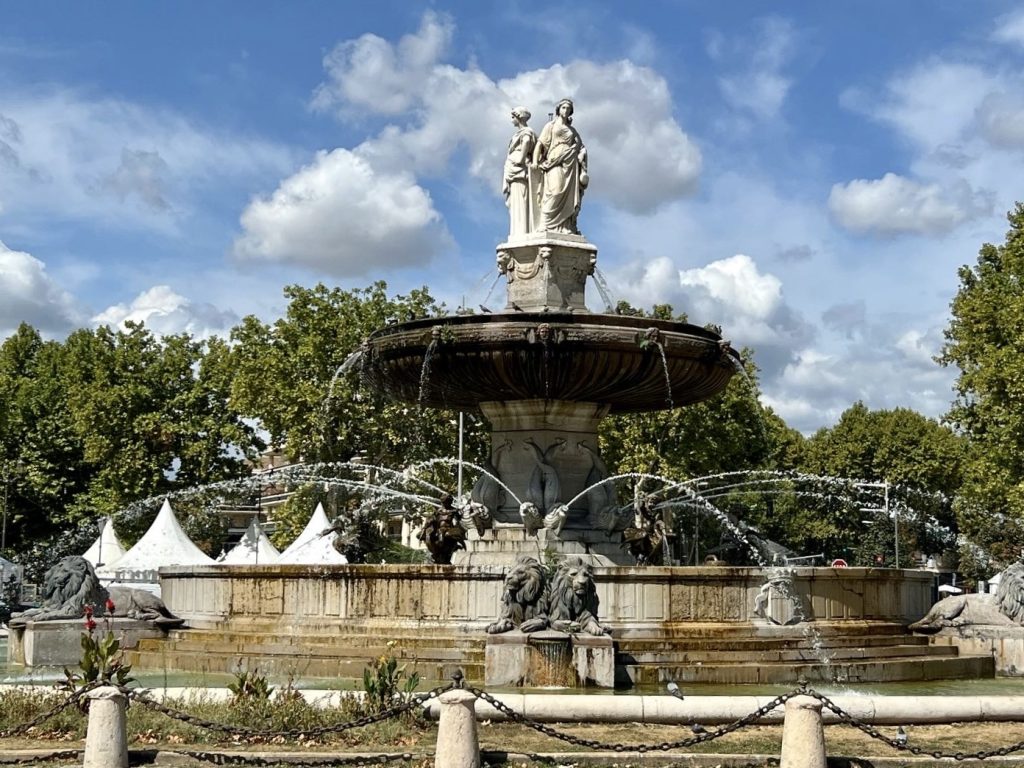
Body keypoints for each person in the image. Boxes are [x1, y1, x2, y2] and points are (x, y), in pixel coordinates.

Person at [533, 98, 588, 234]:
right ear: (558, 109)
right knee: (556, 191)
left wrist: (581, 156)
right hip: (554, 161)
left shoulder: (572, 130)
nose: (566, 110)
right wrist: (535, 161)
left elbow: (581, 147)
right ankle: (545, 223)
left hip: (570, 164)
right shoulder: (550, 126)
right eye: (564, 108)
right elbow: (540, 144)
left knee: (568, 196)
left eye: (569, 109)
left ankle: (564, 227)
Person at [502, 106, 537, 238]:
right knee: (515, 202)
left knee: (520, 199)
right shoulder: (520, 133)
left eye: (513, 116)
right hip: (515, 169)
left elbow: (527, 142)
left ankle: (521, 232)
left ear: (519, 116)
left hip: (519, 170)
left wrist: (520, 159)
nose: (512, 119)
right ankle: (518, 231)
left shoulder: (526, 131)